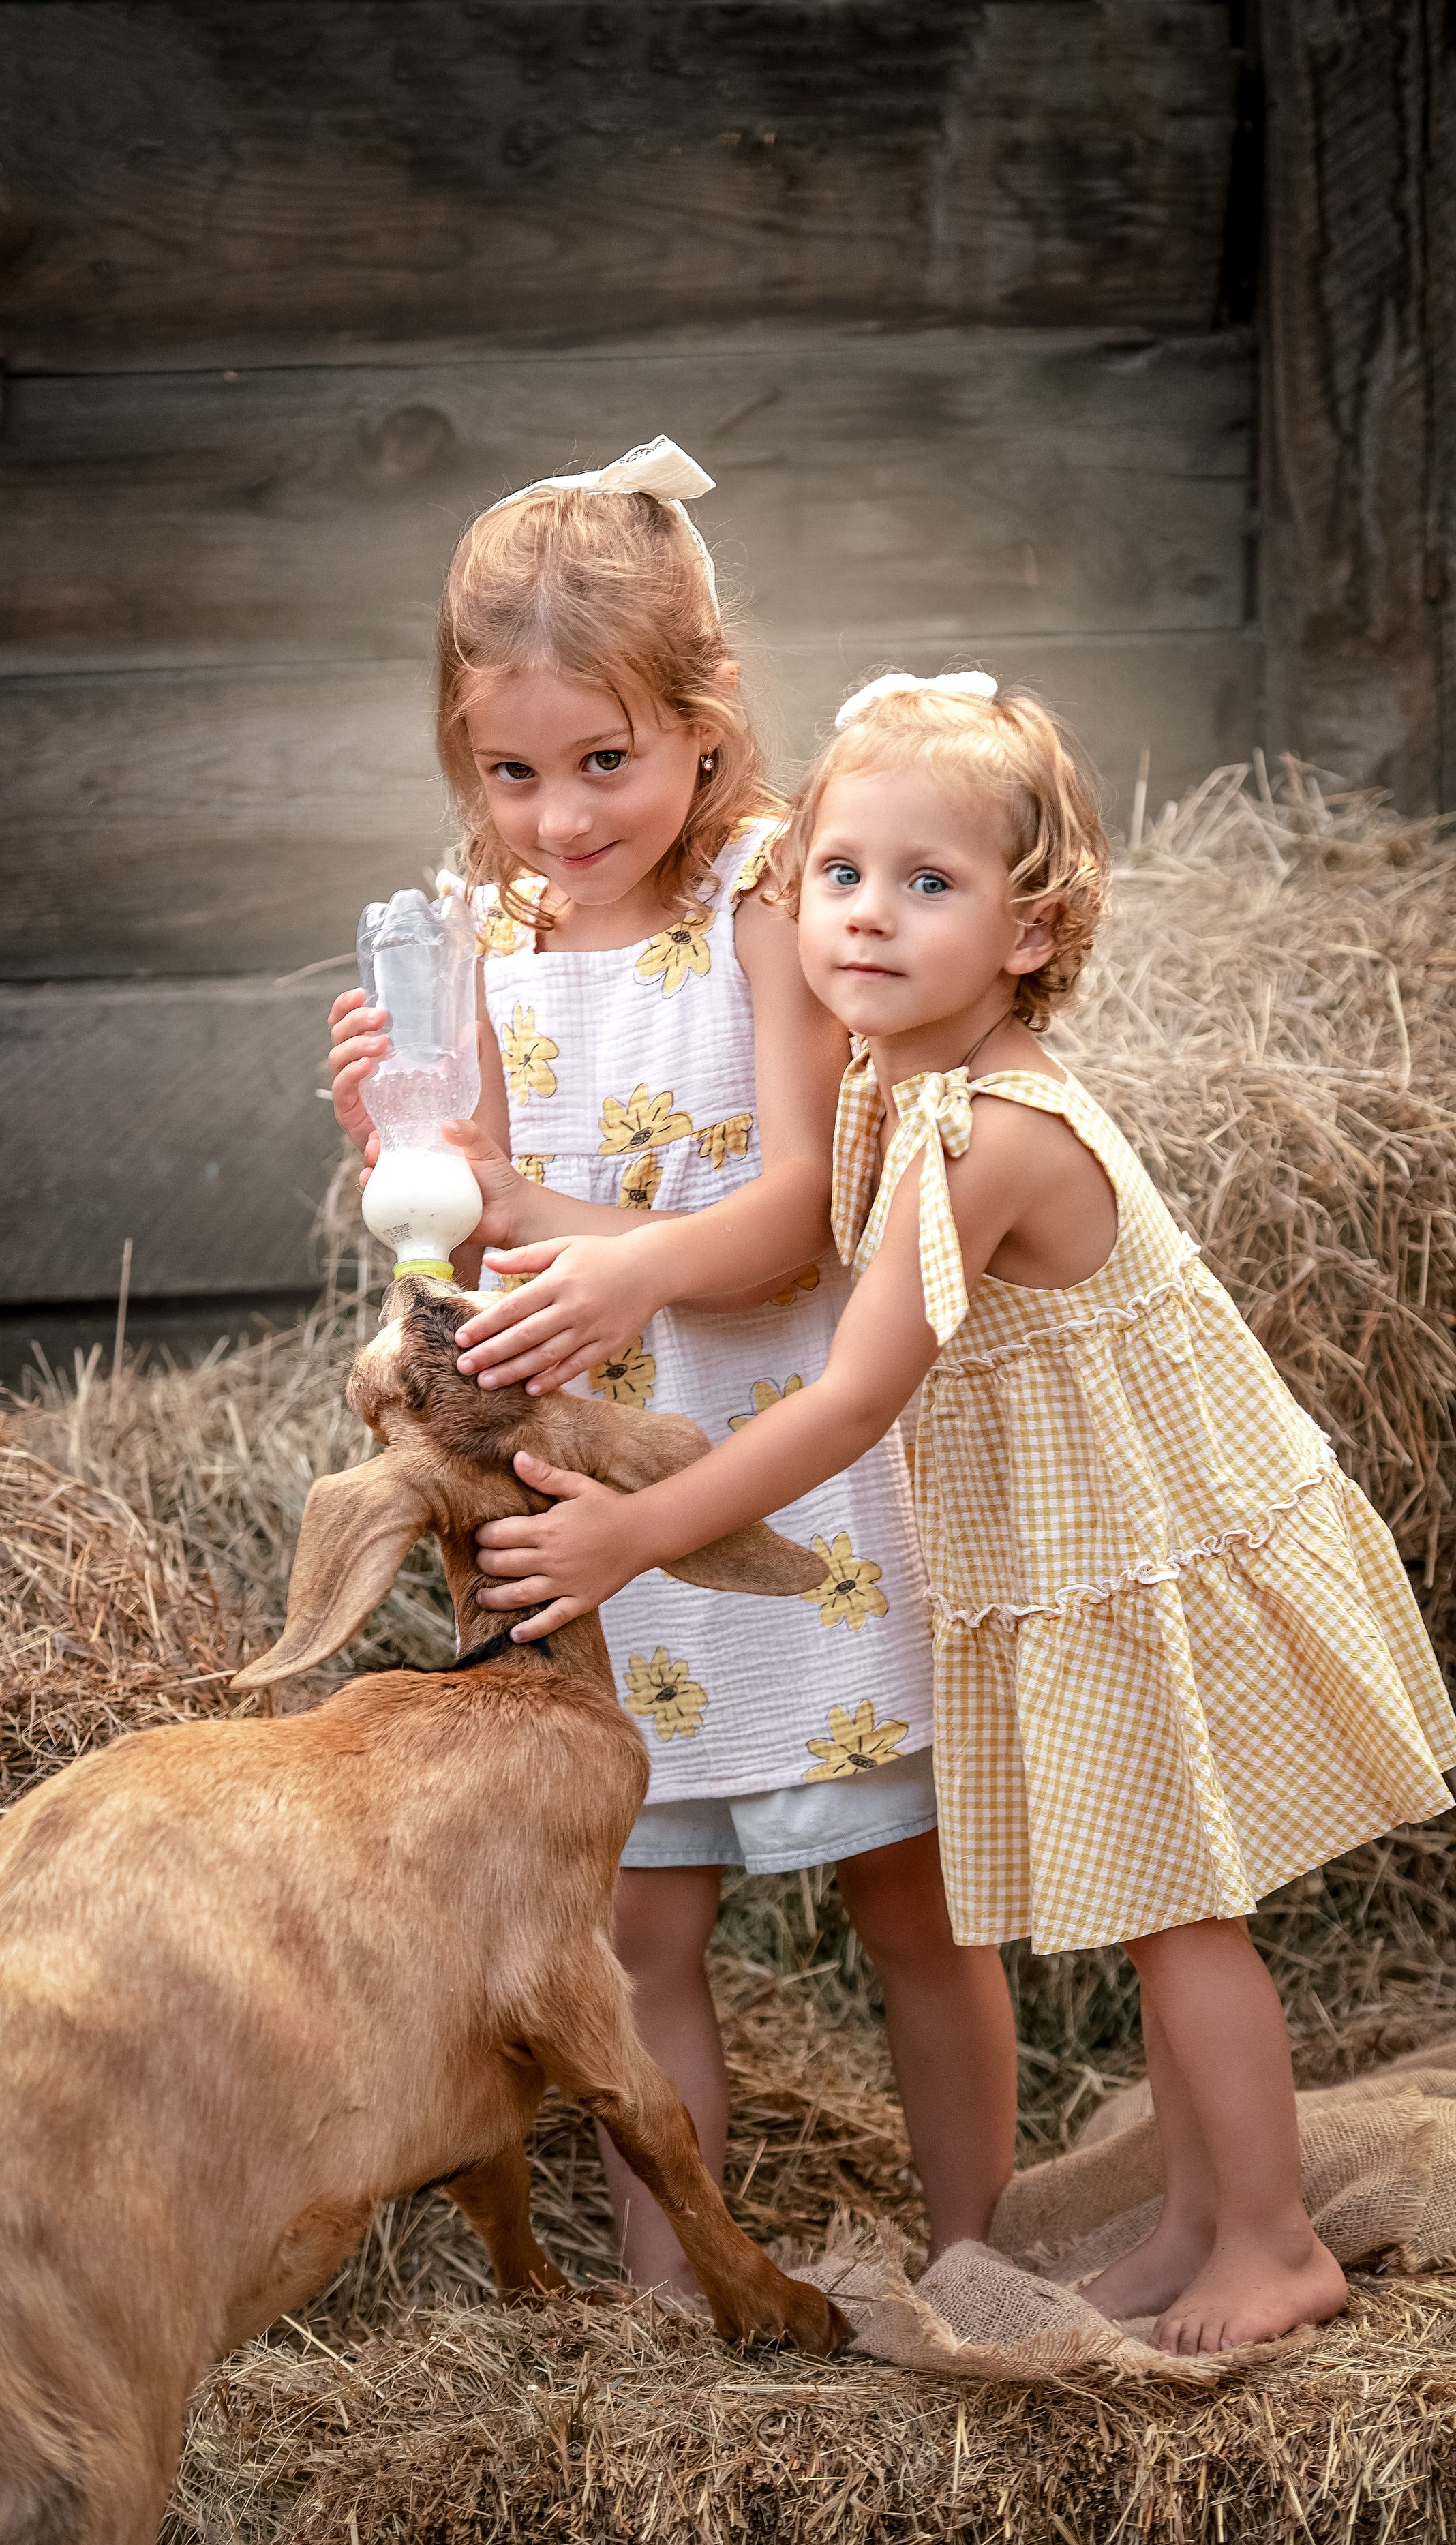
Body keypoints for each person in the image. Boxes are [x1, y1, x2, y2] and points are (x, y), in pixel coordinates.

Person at [469, 669, 1456, 2355]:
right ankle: (1190, 2226)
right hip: (1078, 1551)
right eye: (839, 875)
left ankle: (1274, 2239)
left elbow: (850, 1398)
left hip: (1151, 1548)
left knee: (1182, 1922)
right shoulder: (897, 1085)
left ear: (1029, 928)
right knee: (1165, 1912)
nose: (864, 917)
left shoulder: (982, 1132)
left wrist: (636, 1533)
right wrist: (525, 1199)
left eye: (925, 884)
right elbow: (765, 1249)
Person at [328, 457, 1018, 2298]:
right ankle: (671, 2287)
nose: (558, 818)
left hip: (790, 1477)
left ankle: (980, 2256)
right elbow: (472, 1252)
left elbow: (798, 1218)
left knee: (913, 1902)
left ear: (706, 732)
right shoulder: (473, 936)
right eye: (513, 771)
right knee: (640, 1920)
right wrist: (408, 1150)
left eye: (604, 763)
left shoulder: (762, 910)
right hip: (592, 1493)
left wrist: (607, 1243)